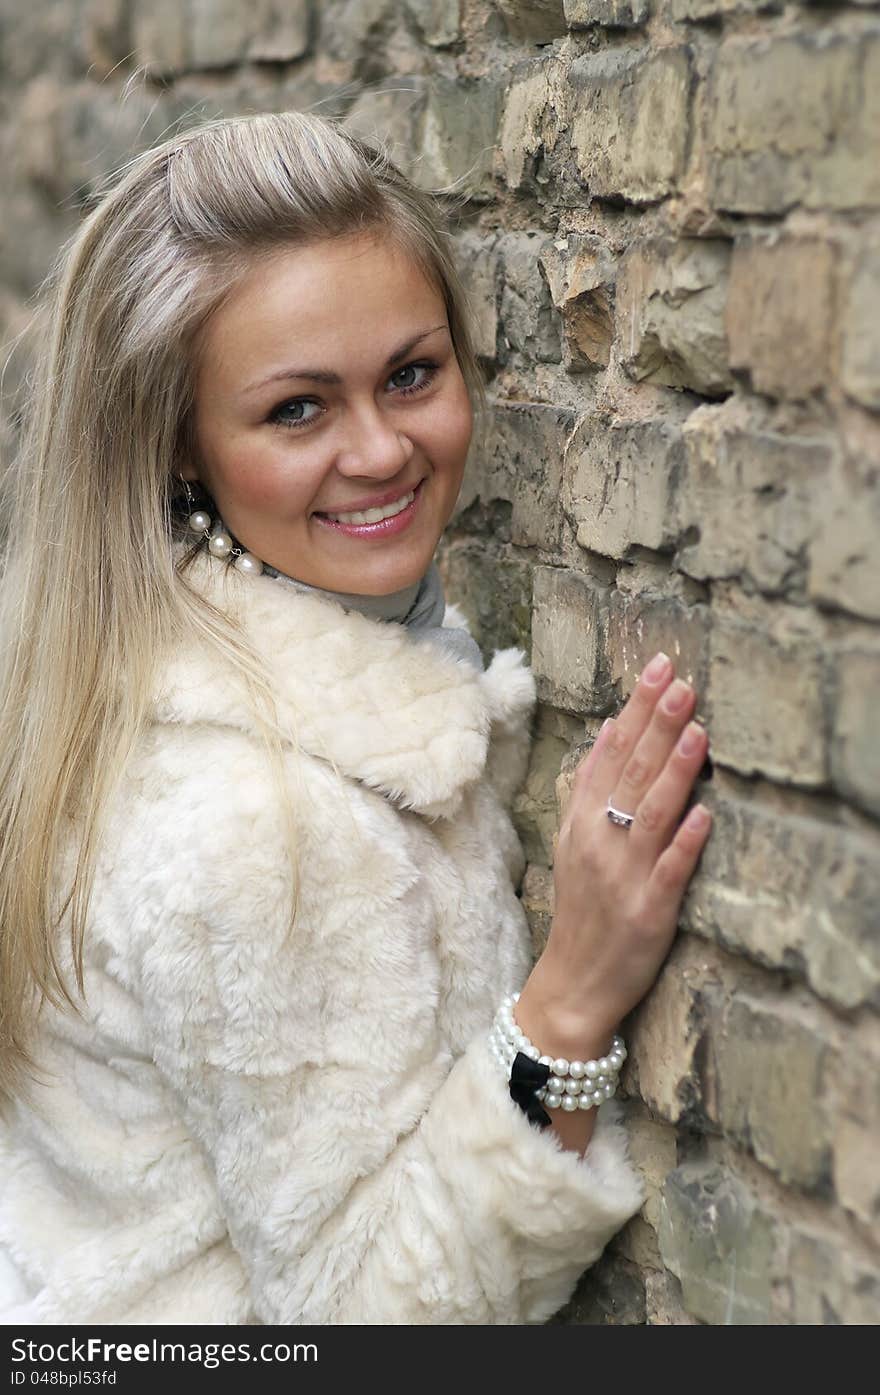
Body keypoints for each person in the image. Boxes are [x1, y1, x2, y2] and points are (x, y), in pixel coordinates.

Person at [0, 112, 712, 1325]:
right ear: (181, 448)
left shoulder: (120, 674)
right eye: (296, 411)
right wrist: (570, 1003)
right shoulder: (251, 823)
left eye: (410, 375)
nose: (381, 450)